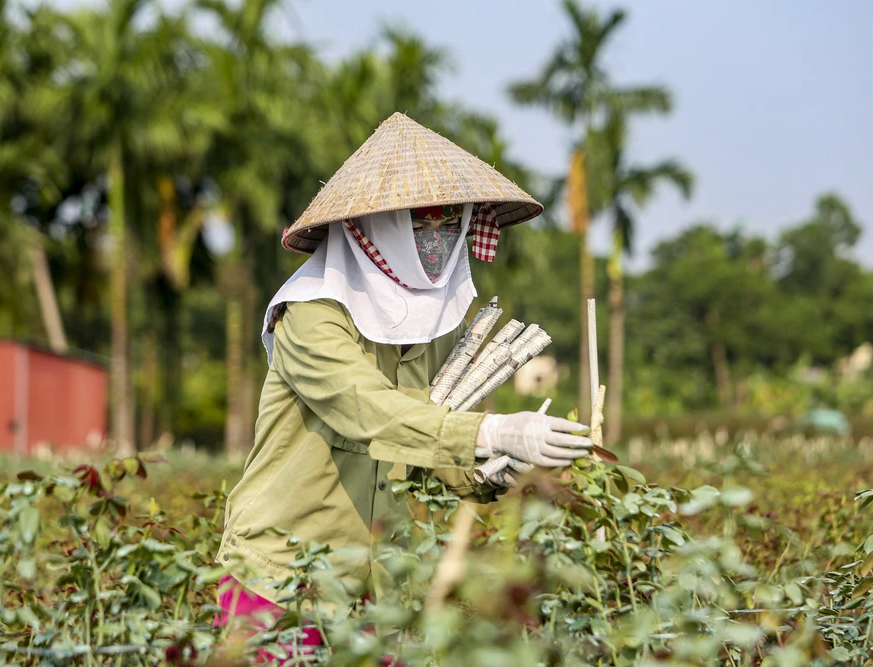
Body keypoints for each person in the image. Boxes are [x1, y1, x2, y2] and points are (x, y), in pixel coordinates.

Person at [214, 113, 593, 652]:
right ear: (374, 227)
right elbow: (367, 411)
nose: (436, 242)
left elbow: (429, 434)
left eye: (448, 226)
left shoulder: (437, 320)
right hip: (281, 576)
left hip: (379, 586)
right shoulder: (310, 314)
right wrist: (492, 430)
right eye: (420, 226)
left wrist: (496, 474)